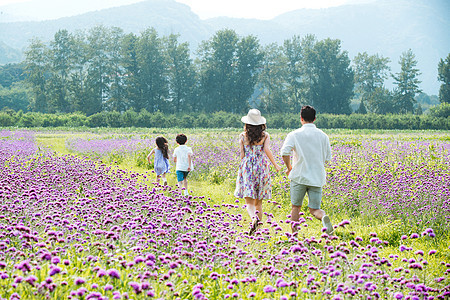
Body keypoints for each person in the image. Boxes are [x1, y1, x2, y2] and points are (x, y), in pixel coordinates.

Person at [280, 105, 333, 234]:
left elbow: (284, 152)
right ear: (314, 119)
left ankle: (294, 235)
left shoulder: (294, 134)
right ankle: (323, 217)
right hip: (316, 177)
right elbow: (327, 159)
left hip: (299, 176)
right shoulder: (323, 136)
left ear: (301, 118)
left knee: (296, 207)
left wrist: (289, 168)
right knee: (315, 209)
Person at [234, 109, 282, 235]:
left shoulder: (242, 136)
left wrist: (243, 168)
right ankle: (258, 229)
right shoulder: (265, 135)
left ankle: (253, 219)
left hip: (248, 166)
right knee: (258, 201)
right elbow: (267, 150)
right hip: (261, 166)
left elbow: (242, 154)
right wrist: (276, 165)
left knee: (248, 200)